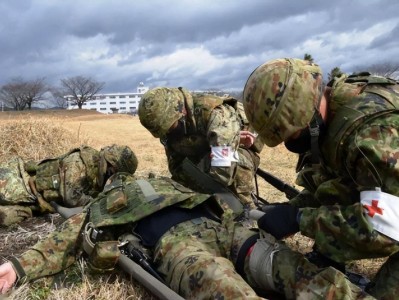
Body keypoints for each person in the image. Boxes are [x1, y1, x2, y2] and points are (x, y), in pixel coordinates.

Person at [0, 170, 374, 299]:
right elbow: (62, 241)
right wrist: (16, 267)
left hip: (217, 228)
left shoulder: (158, 183)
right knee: (226, 284)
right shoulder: (98, 207)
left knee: (289, 269)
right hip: (180, 241)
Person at [243, 57, 399, 299]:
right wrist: (291, 208)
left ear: (307, 115)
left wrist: (300, 220)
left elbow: (386, 230)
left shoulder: (371, 131)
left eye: (290, 134)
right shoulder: (334, 115)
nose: (289, 144)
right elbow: (337, 187)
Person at [138, 87, 263, 211]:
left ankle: (247, 212)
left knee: (236, 167)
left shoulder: (217, 115)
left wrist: (201, 197)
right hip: (207, 151)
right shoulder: (170, 129)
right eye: (164, 132)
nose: (168, 134)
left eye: (170, 129)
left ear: (182, 112)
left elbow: (223, 174)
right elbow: (177, 170)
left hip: (242, 149)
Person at [0, 144, 138, 226]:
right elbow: (71, 197)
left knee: (6, 217)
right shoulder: (79, 161)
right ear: (107, 163)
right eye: (111, 171)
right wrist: (97, 203)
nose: (110, 176)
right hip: (24, 184)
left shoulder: (98, 175)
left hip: (42, 203)